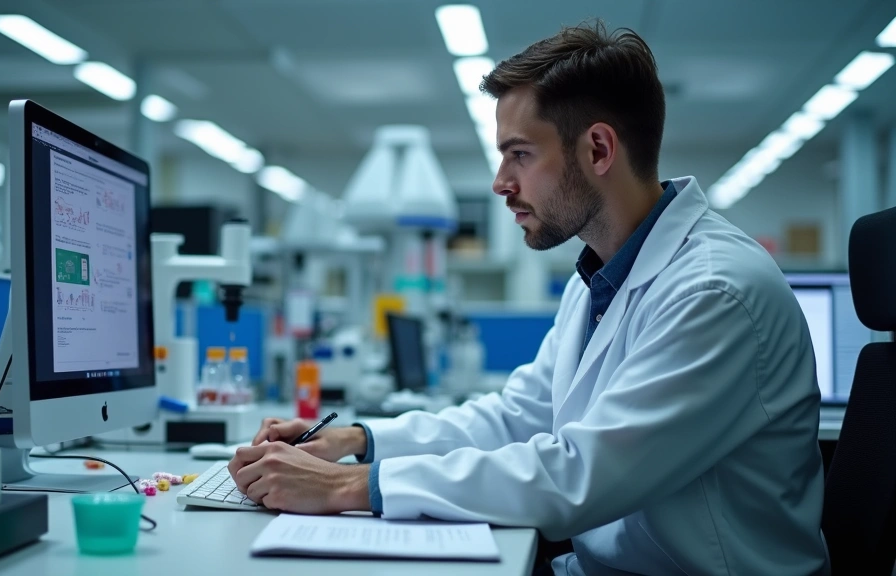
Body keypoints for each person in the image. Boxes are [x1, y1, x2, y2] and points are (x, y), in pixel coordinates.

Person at [228, 20, 828, 576]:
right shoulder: (600, 277)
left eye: (519, 154)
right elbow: (518, 418)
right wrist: (357, 440)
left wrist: (345, 486)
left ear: (597, 150)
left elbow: (578, 477)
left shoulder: (714, 292)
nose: (499, 184)